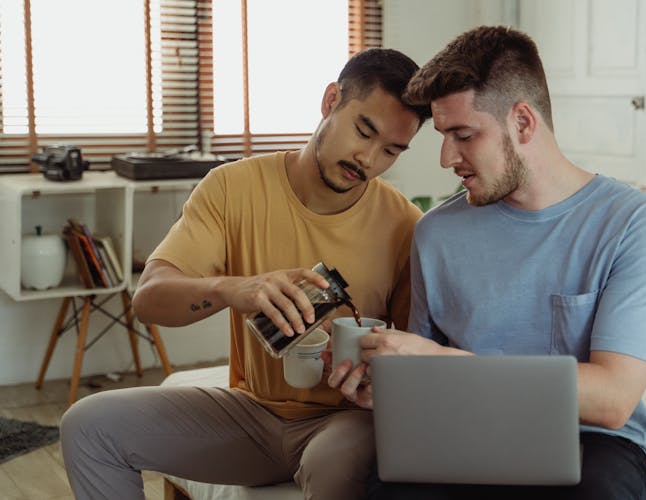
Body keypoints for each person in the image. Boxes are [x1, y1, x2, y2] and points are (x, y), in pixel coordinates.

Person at [59, 47, 431, 500]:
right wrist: (233, 289)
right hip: (252, 417)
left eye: (391, 150)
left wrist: (376, 371)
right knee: (88, 425)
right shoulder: (232, 188)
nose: (369, 159)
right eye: (363, 131)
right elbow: (149, 299)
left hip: (345, 423)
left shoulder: (404, 225)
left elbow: (417, 355)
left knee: (329, 461)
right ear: (331, 100)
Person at [328, 26, 646, 499]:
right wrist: (385, 388)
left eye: (463, 135)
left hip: (593, 442)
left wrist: (441, 364)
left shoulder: (637, 226)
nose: (446, 157)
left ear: (523, 123)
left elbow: (614, 400)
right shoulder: (437, 233)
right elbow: (421, 374)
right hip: (461, 428)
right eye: (442, 135)